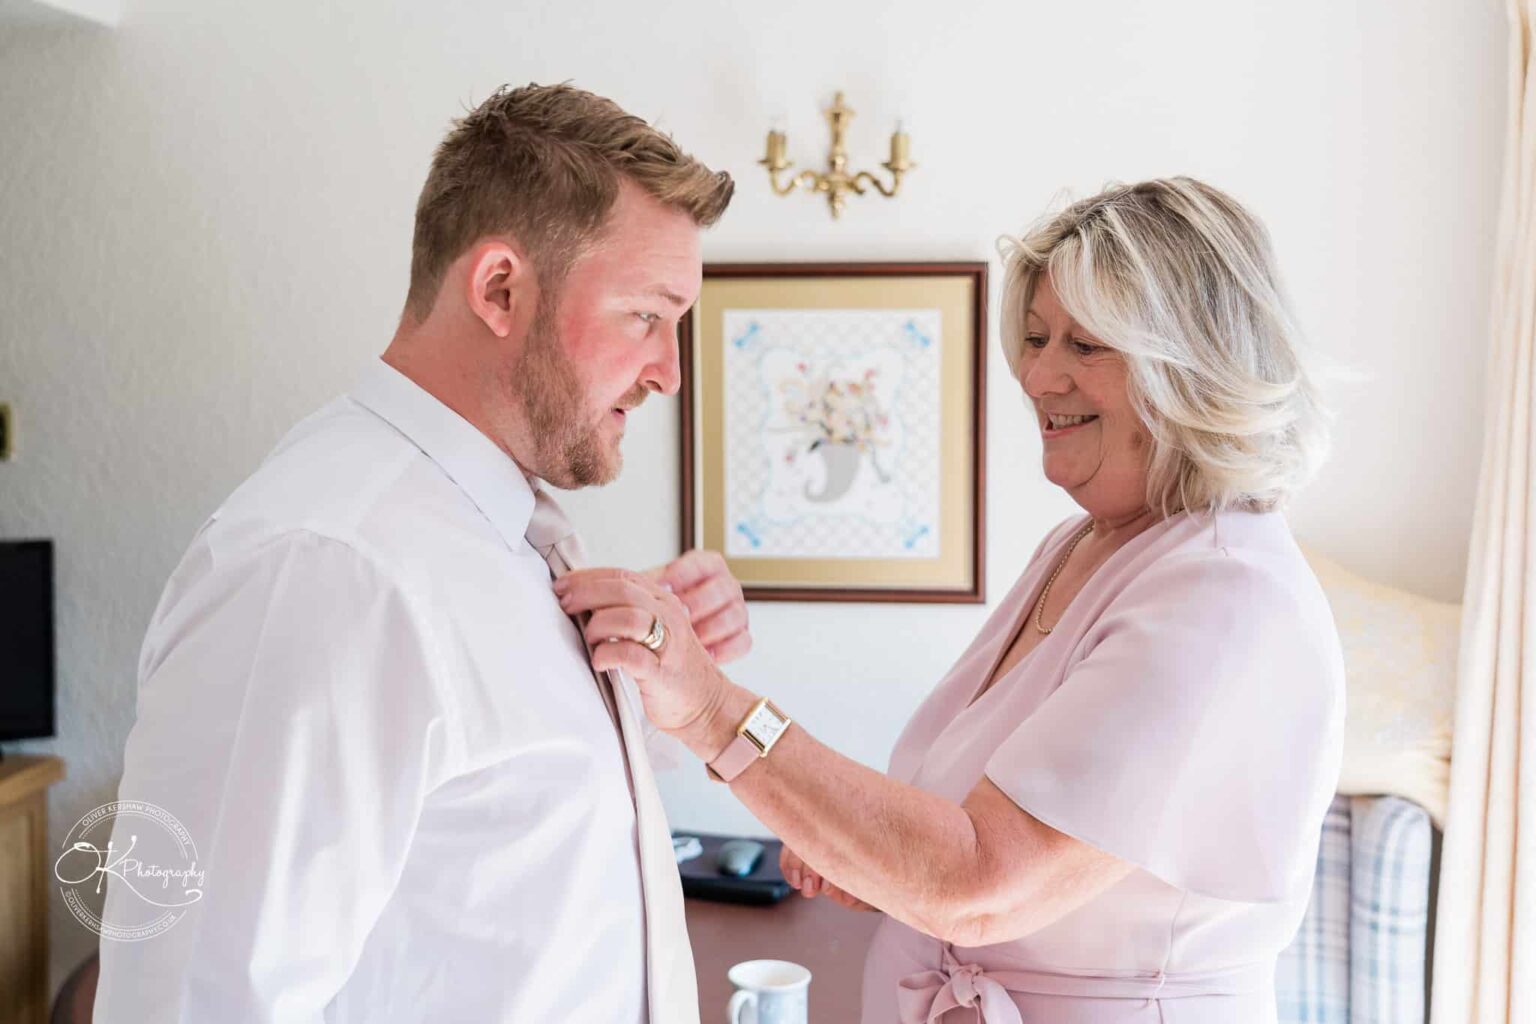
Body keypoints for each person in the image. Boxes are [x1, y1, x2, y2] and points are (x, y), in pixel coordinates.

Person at [557, 177, 1345, 1023]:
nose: (1037, 374)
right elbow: (966, 843)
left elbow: (978, 884)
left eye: (1086, 346)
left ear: (1192, 365)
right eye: (1038, 338)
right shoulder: (1085, 544)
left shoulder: (1225, 595)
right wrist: (867, 858)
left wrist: (713, 709)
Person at [94, 83, 739, 1023]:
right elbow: (197, 1002)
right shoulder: (323, 569)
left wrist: (654, 689)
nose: (669, 372)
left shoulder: (495, 536)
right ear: (499, 290)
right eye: (647, 314)